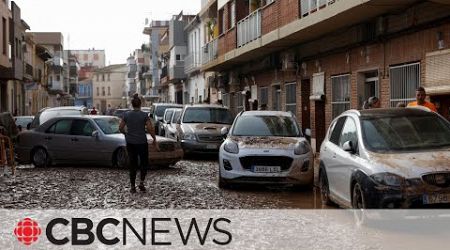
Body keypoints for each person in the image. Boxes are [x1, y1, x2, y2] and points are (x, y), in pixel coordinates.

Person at [119, 96, 159, 193]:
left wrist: (126, 134)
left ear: (132, 104)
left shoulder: (126, 115)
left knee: (133, 164)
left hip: (130, 143)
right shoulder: (144, 115)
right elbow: (150, 128)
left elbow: (120, 127)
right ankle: (141, 183)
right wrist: (154, 139)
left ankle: (132, 187)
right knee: (144, 163)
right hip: (142, 142)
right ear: (140, 104)